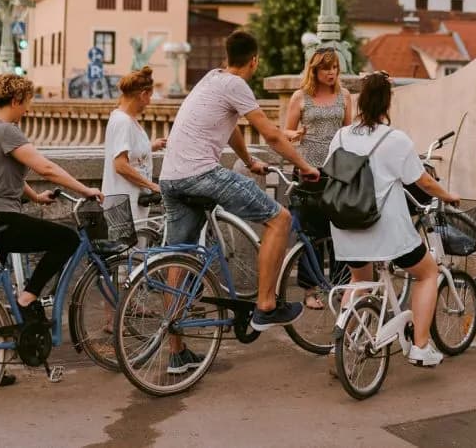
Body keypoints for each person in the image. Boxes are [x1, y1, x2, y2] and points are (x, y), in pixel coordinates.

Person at [158, 30, 320, 373]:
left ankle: (176, 352)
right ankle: (265, 303)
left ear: (225, 55)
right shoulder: (237, 85)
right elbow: (272, 135)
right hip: (201, 174)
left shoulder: (211, 80)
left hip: (171, 177)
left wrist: (248, 162)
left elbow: (230, 126)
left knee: (178, 258)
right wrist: (306, 167)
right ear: (255, 60)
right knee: (280, 219)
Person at [0, 74, 104, 389]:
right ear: (16, 101)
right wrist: (85, 190)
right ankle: (28, 298)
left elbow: (6, 173)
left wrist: (35, 197)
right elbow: (46, 168)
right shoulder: (7, 130)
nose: (27, 110)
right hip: (1, 221)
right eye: (27, 103)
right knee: (66, 238)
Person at [327, 71, 460, 368]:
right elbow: (423, 181)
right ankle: (421, 346)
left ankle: (342, 343)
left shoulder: (340, 135)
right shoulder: (395, 139)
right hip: (385, 230)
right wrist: (449, 196)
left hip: (346, 225)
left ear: (360, 101)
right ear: (387, 103)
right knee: (427, 274)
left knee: (359, 280)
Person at [283, 47, 352, 309]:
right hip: (307, 170)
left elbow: (348, 130)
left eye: (334, 67)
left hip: (335, 170)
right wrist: (295, 134)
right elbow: (285, 131)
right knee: (310, 233)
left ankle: (339, 285)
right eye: (326, 68)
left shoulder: (344, 96)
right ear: (315, 70)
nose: (331, 72)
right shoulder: (300, 97)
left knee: (338, 230)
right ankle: (310, 291)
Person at [102, 65, 165, 223]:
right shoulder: (123, 122)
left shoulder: (125, 119)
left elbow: (127, 152)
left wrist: (151, 147)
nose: (149, 102)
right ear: (143, 95)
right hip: (125, 205)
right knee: (130, 248)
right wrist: (151, 186)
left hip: (129, 203)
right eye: (149, 96)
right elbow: (120, 165)